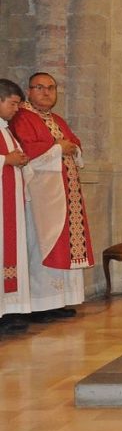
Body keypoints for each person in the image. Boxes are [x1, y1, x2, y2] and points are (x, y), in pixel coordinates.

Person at [10, 72, 94, 321]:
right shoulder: (22, 118)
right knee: (41, 244)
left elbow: (74, 144)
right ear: (29, 90)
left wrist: (70, 147)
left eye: (51, 88)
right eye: (40, 87)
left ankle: (58, 301)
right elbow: (26, 149)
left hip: (66, 195)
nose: (47, 92)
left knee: (62, 244)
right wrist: (58, 147)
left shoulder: (56, 119)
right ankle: (39, 304)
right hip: (41, 197)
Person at [0, 80, 32, 335]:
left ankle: (7, 310)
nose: (16, 110)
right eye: (12, 104)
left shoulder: (7, 129)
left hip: (9, 204)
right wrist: (5, 160)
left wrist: (19, 160)